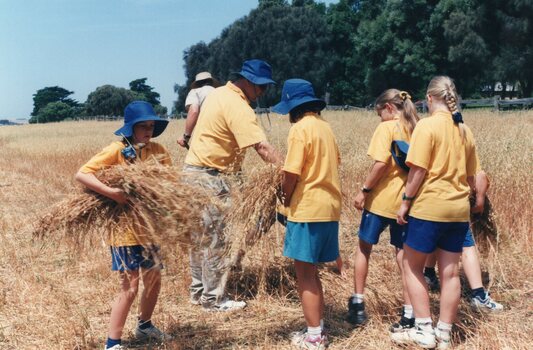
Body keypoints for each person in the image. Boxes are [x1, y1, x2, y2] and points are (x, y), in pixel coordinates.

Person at [182, 59, 282, 312]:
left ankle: (198, 292)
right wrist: (290, 171)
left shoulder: (217, 94)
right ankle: (214, 300)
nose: (262, 92)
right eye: (260, 87)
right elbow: (261, 147)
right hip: (211, 177)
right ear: (247, 81)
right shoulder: (238, 105)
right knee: (218, 239)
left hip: (193, 171)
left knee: (199, 237)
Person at [75, 101, 172, 350]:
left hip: (150, 228)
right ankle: (113, 342)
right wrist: (113, 193)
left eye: (151, 126)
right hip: (124, 231)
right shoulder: (116, 150)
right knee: (130, 285)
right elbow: (83, 174)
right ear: (130, 129)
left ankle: (144, 326)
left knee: (154, 279)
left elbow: (170, 183)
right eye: (143, 127)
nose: (148, 131)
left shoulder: (158, 150)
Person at [391, 76, 479, 349]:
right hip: (457, 209)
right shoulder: (464, 129)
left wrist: (405, 201)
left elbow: (417, 170)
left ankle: (424, 329)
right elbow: (472, 175)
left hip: (430, 207)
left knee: (411, 266)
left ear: (429, 99)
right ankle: (444, 334)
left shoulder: (426, 127)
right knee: (450, 274)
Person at [273, 79, 342, 350]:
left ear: (293, 107)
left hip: (307, 209)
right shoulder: (326, 129)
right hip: (329, 208)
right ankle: (318, 327)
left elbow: (291, 172)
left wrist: (285, 196)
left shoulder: (300, 129)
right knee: (313, 273)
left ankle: (314, 337)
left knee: (305, 274)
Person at [348, 89, 419, 331]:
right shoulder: (416, 126)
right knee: (404, 256)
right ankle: (409, 313)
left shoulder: (386, 129)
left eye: (380, 114)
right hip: (405, 204)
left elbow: (380, 164)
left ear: (389, 107)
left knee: (363, 248)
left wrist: (364, 191)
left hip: (379, 201)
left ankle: (358, 303)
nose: (380, 119)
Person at [423, 171, 503, 311]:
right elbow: (480, 175)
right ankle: (478, 295)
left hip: (430, 204)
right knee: (467, 246)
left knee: (437, 238)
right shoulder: (461, 149)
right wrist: (479, 200)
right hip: (454, 205)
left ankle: (429, 275)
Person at [177, 71, 219, 149]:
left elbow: (194, 111)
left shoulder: (195, 92)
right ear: (211, 82)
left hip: (208, 134)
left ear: (197, 83)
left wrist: (186, 137)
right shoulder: (220, 92)